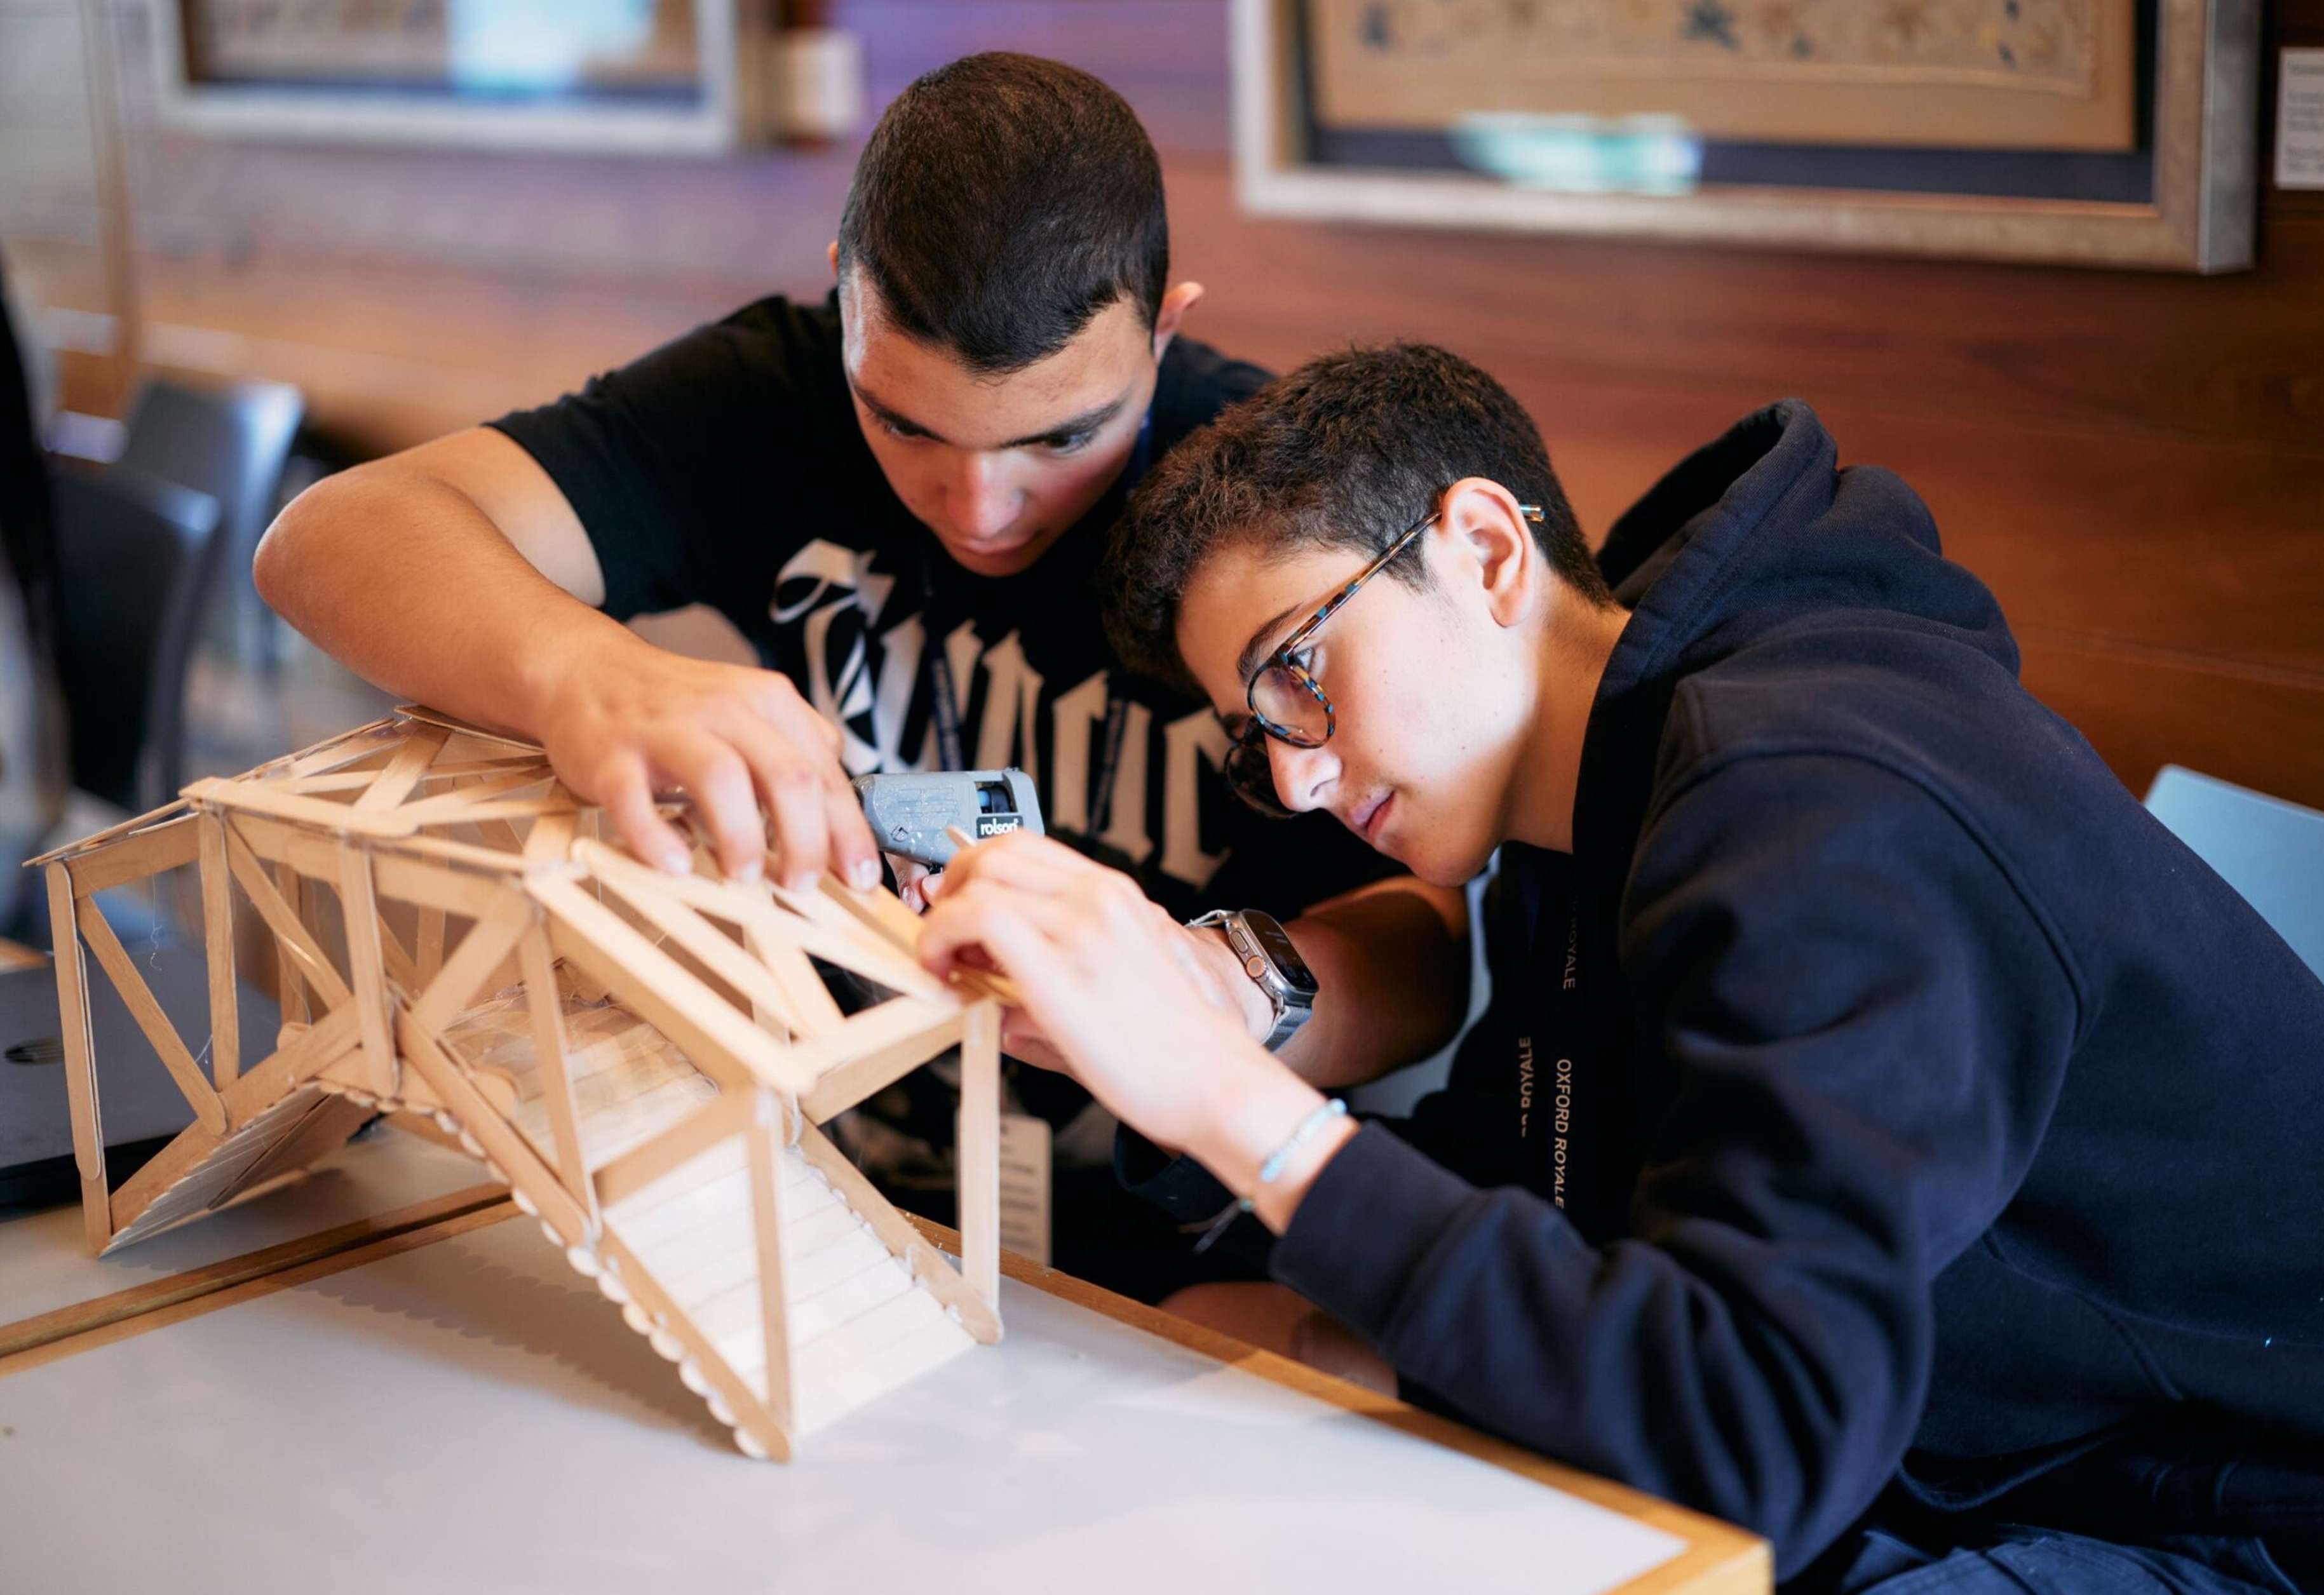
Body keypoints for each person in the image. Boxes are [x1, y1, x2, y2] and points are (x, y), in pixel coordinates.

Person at [909, 343, 2324, 1592]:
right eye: (1260, 736)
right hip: (1937, 1459)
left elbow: (1749, 1429)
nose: (1299, 780)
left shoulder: (1818, 806)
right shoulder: (1591, 801)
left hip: (2237, 1528)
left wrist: (1238, 1102)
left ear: (1486, 548)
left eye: (1298, 673)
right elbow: (1560, 1197)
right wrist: (1209, 1096)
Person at [253, 55, 1466, 1303]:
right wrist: (589, 672)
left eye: (1063, 436)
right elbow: (326, 540)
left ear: (1163, 327)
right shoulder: (772, 397)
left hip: (1197, 1254)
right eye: (904, 424)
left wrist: (1229, 993)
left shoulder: (1259, 491)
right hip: (838, 1201)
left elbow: (1430, 943)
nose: (981, 508)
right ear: (845, 306)